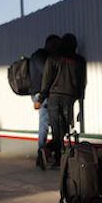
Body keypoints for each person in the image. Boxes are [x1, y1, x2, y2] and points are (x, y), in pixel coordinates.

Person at [34, 33, 87, 169]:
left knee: (56, 129)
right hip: (69, 98)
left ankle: (48, 151)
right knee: (64, 130)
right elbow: (82, 82)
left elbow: (46, 79)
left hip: (54, 97)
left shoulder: (53, 58)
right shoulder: (80, 60)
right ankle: (58, 158)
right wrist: (79, 98)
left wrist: (40, 99)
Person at [30, 34, 61, 169]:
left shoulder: (41, 57)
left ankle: (44, 153)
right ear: (48, 44)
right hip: (41, 95)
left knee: (47, 123)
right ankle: (42, 153)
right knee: (45, 124)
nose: (56, 48)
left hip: (43, 94)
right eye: (55, 45)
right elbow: (48, 73)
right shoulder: (39, 57)